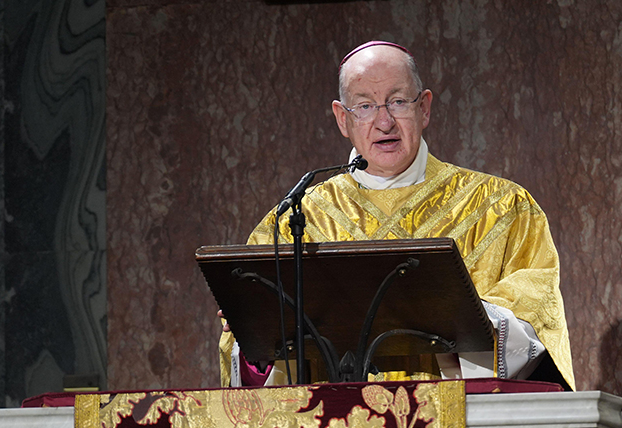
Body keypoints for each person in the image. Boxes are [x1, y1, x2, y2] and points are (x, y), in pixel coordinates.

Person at [220, 40, 574, 389]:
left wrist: (449, 314)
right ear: (342, 119)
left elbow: (536, 321)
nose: (384, 121)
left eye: (398, 101)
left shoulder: (501, 207)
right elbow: (253, 361)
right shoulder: (296, 220)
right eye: (364, 106)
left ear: (425, 108)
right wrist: (254, 331)